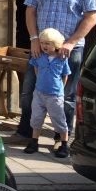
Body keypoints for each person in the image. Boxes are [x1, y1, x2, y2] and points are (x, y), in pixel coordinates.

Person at [14, 0, 96, 142]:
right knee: (29, 92)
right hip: (41, 49)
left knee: (66, 97)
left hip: (68, 50)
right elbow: (30, 11)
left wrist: (70, 42)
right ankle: (26, 134)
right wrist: (34, 39)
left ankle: (62, 140)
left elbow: (91, 17)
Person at [24, 28, 72, 158]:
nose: (44, 46)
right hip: (39, 93)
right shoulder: (39, 56)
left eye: (48, 43)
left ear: (56, 44)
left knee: (58, 119)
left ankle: (64, 144)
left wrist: (60, 88)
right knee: (36, 117)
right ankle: (34, 142)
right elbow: (36, 68)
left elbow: (65, 75)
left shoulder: (62, 59)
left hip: (55, 95)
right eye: (42, 43)